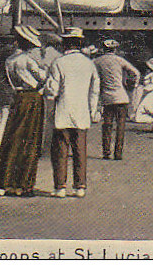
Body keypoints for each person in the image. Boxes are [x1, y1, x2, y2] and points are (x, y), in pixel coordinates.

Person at [44, 27, 100, 198]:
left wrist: (50, 108)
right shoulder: (89, 64)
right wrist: (92, 110)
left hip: (62, 111)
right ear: (80, 43)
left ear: (65, 43)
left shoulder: (58, 63)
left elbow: (52, 90)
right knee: (80, 150)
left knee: (60, 151)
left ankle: (60, 187)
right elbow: (94, 90)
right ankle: (80, 186)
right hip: (82, 112)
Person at [0, 25, 48, 196]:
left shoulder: (10, 60)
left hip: (17, 97)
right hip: (32, 99)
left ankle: (4, 179)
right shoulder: (29, 60)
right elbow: (43, 78)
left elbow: (8, 80)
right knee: (30, 141)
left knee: (12, 138)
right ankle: (23, 184)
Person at [94, 39, 140, 159]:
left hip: (107, 97)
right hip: (121, 97)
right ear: (115, 49)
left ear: (103, 49)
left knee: (107, 125)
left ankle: (106, 152)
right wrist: (132, 85)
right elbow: (135, 72)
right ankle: (118, 153)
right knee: (120, 126)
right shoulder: (120, 60)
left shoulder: (97, 61)